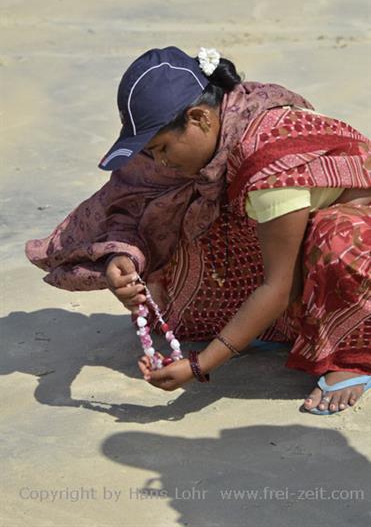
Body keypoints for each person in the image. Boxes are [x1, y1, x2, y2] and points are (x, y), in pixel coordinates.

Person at [26, 46, 371, 415]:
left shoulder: (268, 164)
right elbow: (134, 195)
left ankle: (353, 356)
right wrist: (122, 255)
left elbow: (279, 285)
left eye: (161, 148)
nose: (159, 161)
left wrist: (200, 364)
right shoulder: (222, 117)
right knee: (194, 215)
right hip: (289, 224)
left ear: (199, 119)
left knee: (335, 239)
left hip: (356, 240)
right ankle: (277, 327)